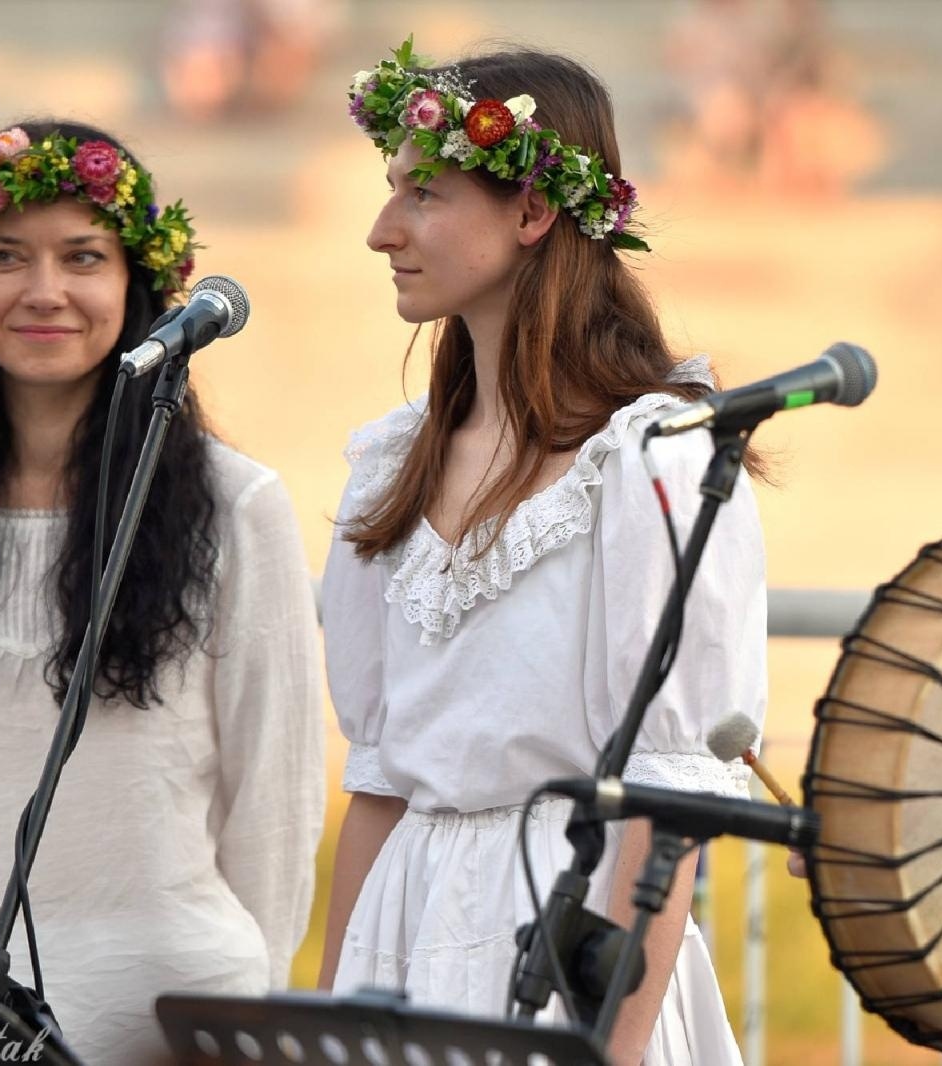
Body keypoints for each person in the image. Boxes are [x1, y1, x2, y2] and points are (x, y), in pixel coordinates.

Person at [319, 41, 767, 1066]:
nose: (382, 230)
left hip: (573, 934)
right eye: (390, 192)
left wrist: (610, 1044)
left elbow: (667, 797)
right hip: (403, 935)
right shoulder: (393, 460)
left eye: (423, 194)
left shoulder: (653, 458)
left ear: (530, 214)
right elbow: (380, 786)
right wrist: (327, 1029)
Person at [0, 120, 324, 1064]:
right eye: (5, 257)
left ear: (137, 286)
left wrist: (236, 1016)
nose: (45, 292)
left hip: (166, 1011)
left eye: (83, 258)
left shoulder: (236, 506)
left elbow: (276, 797)